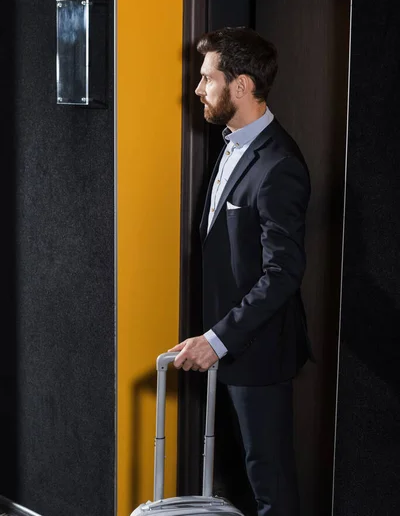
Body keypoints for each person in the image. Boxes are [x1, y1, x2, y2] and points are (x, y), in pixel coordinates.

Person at [168, 27, 313, 516]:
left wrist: (217, 339)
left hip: (259, 354)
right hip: (224, 350)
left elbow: (282, 273)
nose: (197, 89)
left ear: (242, 85)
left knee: (269, 486)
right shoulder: (230, 144)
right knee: (237, 478)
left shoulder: (279, 165)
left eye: (207, 78)